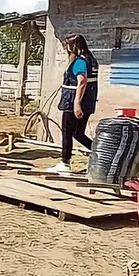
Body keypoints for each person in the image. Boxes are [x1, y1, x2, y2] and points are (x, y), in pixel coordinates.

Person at [47, 35, 99, 174]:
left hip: (73, 102)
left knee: (67, 132)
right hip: (88, 101)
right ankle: (100, 154)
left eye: (67, 46)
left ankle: (65, 163)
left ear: (73, 47)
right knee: (78, 133)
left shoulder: (80, 62)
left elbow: (82, 81)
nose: (66, 49)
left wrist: (77, 104)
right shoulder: (91, 60)